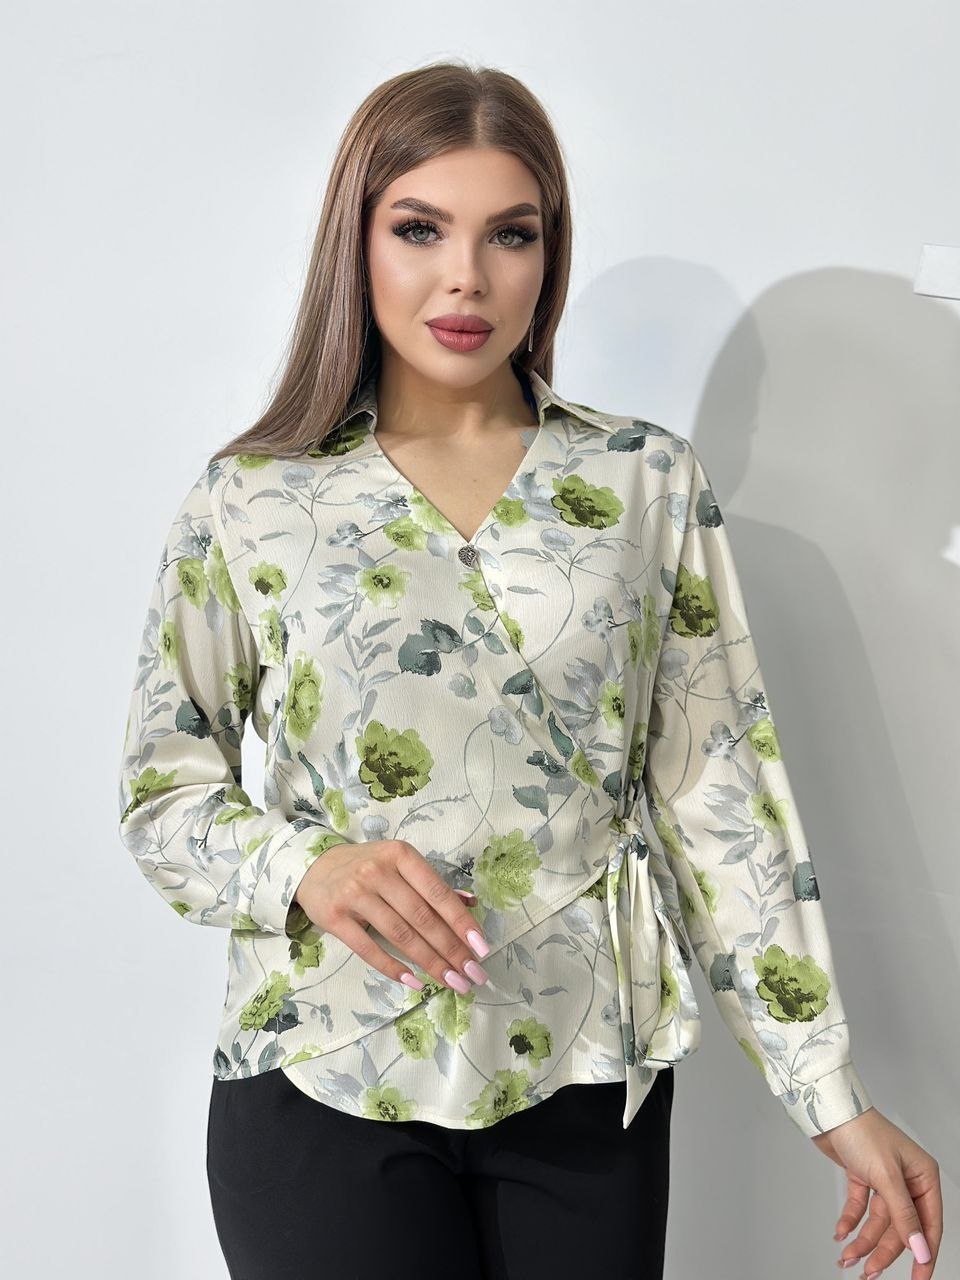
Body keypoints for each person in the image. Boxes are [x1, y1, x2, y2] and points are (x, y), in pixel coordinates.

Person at [116, 60, 942, 1280]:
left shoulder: (643, 481)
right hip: (322, 1071)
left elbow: (717, 798)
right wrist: (306, 866)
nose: (466, 276)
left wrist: (828, 1089)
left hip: (583, 1079)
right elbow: (162, 788)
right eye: (420, 229)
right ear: (356, 241)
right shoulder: (253, 497)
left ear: (549, 253)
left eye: (511, 233)